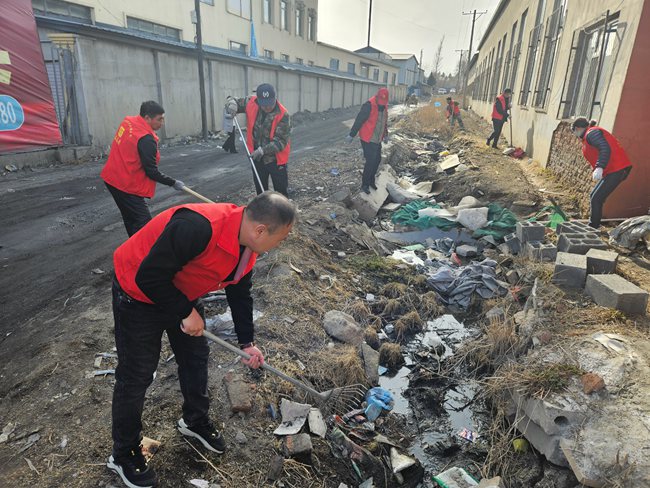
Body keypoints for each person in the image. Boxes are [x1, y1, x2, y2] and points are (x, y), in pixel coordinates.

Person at [106, 191, 296, 488]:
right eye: (281, 238)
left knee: (195, 359)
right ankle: (124, 453)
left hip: (182, 289)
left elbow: (239, 291)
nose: (281, 244)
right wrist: (185, 311)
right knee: (137, 375)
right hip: (138, 291)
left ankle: (194, 421)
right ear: (260, 230)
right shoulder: (198, 226)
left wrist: (246, 342)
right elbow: (150, 276)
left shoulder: (248, 246)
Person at [101, 101, 185, 237]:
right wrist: (173, 183)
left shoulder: (128, 122)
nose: (162, 123)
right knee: (143, 224)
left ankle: (133, 250)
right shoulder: (146, 139)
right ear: (147, 118)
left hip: (112, 178)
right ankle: (143, 255)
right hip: (125, 185)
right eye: (159, 119)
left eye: (163, 118)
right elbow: (151, 171)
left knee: (130, 219)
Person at [225, 84, 291, 197]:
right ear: (259, 101)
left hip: (276, 160)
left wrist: (262, 151)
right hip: (257, 158)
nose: (267, 107)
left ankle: (282, 214)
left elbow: (280, 142)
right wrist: (232, 104)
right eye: (264, 105)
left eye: (270, 103)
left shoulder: (283, 114)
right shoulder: (251, 102)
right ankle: (264, 213)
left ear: (275, 98)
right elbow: (233, 100)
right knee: (261, 193)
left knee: (281, 194)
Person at [571, 118, 633, 229]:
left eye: (575, 132)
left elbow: (605, 148)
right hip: (612, 170)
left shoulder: (591, 133)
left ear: (577, 128)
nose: (576, 135)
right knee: (594, 197)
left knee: (596, 198)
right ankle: (594, 225)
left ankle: (593, 227)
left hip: (618, 169)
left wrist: (600, 166)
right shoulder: (588, 136)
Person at [346, 87, 390, 194]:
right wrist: (352, 134)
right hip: (367, 138)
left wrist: (386, 134)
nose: (381, 104)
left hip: (377, 139)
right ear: (377, 97)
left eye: (383, 102)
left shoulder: (384, 107)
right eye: (380, 101)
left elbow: (384, 122)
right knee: (370, 161)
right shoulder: (368, 105)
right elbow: (359, 120)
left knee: (377, 160)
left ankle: (371, 180)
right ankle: (365, 184)